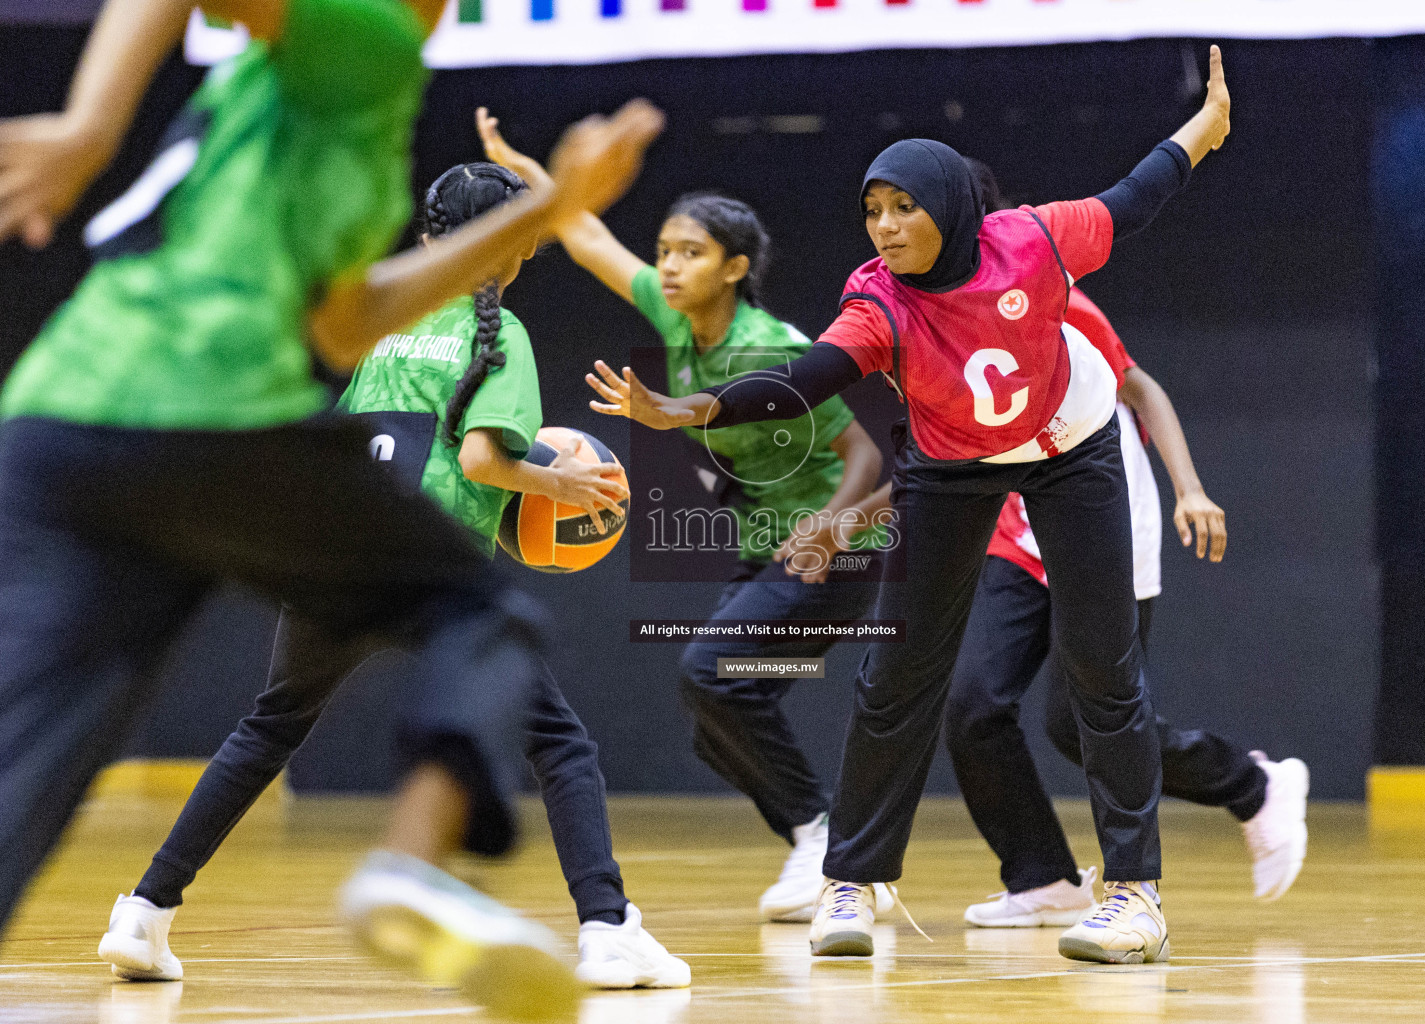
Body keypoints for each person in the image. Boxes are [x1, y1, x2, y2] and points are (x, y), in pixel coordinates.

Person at [0, 0, 661, 1016]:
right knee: (486, 611)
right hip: (212, 412)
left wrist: (551, 204)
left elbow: (345, 322)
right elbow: (483, 455)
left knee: (42, 744)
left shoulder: (348, 146)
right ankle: (416, 867)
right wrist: (91, 125)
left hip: (59, 416)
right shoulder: (364, 31)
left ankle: (147, 906)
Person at [585, 47, 1234, 964]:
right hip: (951, 464)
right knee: (900, 673)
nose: (884, 227)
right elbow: (806, 380)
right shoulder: (879, 299)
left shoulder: (1037, 238)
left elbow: (1138, 192)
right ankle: (851, 881)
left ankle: (1133, 897)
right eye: (872, 211)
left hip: (1069, 447)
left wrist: (1204, 130)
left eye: (903, 207)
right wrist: (692, 408)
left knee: (1102, 669)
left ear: (953, 209)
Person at [96, 161, 689, 991]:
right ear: (511, 248)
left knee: (268, 729)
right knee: (558, 740)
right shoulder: (500, 336)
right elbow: (483, 459)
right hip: (421, 560)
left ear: (428, 239)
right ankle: (606, 927)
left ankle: (144, 911)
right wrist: (559, 483)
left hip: (334, 544)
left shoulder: (386, 326)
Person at [477, 111, 894, 923]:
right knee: (718, 715)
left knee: (709, 673)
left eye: (690, 253)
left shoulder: (770, 347)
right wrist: (532, 168)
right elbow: (584, 234)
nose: (668, 267)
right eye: (665, 250)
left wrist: (826, 532)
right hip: (768, 539)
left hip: (836, 544)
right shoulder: (677, 317)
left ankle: (830, 847)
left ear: (735, 268)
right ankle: (833, 854)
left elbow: (868, 458)